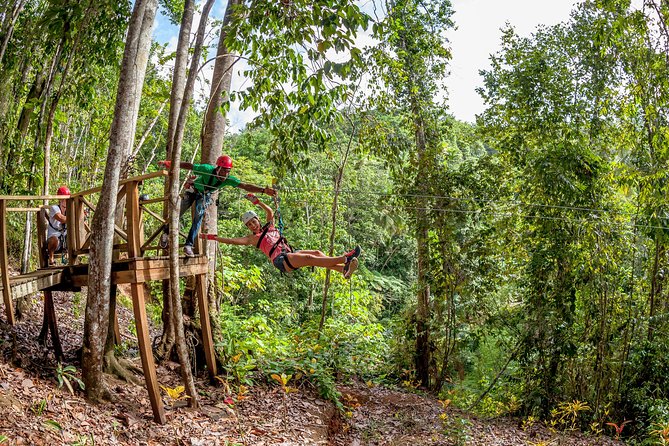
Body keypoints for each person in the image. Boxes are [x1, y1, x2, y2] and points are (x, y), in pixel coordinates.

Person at [200, 194, 361, 278]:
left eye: (254, 222)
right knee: (308, 259)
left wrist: (257, 202)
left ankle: (343, 271)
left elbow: (269, 212)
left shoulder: (269, 226)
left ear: (258, 220)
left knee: (317, 254)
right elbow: (233, 241)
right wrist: (212, 237)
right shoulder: (252, 239)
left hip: (289, 253)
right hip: (281, 261)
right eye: (249, 225)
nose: (253, 225)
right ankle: (344, 259)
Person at [157, 155, 276, 257]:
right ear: (217, 168)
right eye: (224, 170)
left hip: (204, 196)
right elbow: (189, 166)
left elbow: (245, 186)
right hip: (193, 190)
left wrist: (263, 190)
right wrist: (169, 163)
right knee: (178, 212)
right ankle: (166, 233)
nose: (226, 174)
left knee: (198, 218)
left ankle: (188, 245)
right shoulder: (207, 169)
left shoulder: (228, 180)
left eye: (228, 171)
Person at [47, 186, 70, 266]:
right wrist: (75, 217)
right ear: (60, 199)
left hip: (65, 236)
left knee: (73, 237)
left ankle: (71, 259)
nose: (66, 201)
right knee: (54, 240)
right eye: (64, 199)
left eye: (67, 199)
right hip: (55, 237)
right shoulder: (54, 208)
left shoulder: (69, 209)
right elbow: (61, 218)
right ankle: (51, 258)